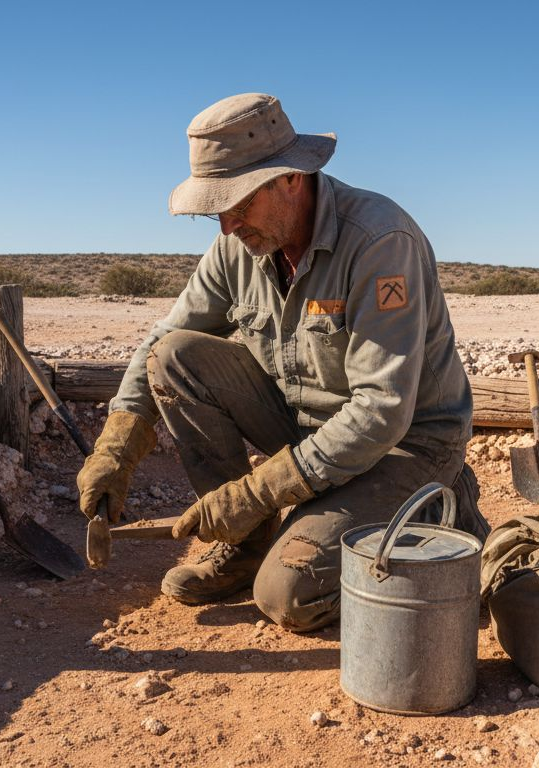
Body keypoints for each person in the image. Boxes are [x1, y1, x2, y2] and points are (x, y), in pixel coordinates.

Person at [76, 93, 483, 633]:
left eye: (238, 205)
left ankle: (434, 504)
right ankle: (243, 548)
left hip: (403, 445)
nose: (226, 226)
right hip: (305, 429)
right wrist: (119, 443)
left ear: (290, 178)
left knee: (288, 595)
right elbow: (166, 337)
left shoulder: (381, 242)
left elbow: (382, 411)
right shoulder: (238, 246)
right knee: (175, 358)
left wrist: (257, 492)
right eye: (216, 210)